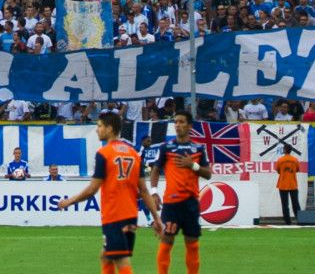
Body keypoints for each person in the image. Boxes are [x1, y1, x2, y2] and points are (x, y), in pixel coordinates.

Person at [57, 111, 159, 274]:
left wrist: (69, 201)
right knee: (106, 256)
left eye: (99, 126)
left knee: (120, 259)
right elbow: (144, 191)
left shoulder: (104, 154)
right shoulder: (133, 154)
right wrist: (157, 219)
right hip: (130, 214)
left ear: (109, 129)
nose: (97, 130)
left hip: (115, 216)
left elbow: (92, 189)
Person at [149, 109, 210, 274]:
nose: (177, 125)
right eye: (175, 122)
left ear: (189, 126)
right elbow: (155, 170)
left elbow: (208, 173)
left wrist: (193, 165)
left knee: (192, 244)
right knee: (166, 241)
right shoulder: (166, 147)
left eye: (181, 122)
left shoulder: (198, 148)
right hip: (171, 204)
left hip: (190, 203)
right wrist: (154, 192)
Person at [272, 146, 301, 222]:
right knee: (296, 203)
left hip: (283, 184)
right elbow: (297, 170)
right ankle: (300, 220)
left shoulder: (280, 160)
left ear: (284, 150)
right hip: (293, 184)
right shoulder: (295, 160)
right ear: (291, 151)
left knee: (285, 204)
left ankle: (287, 221)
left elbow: (278, 171)